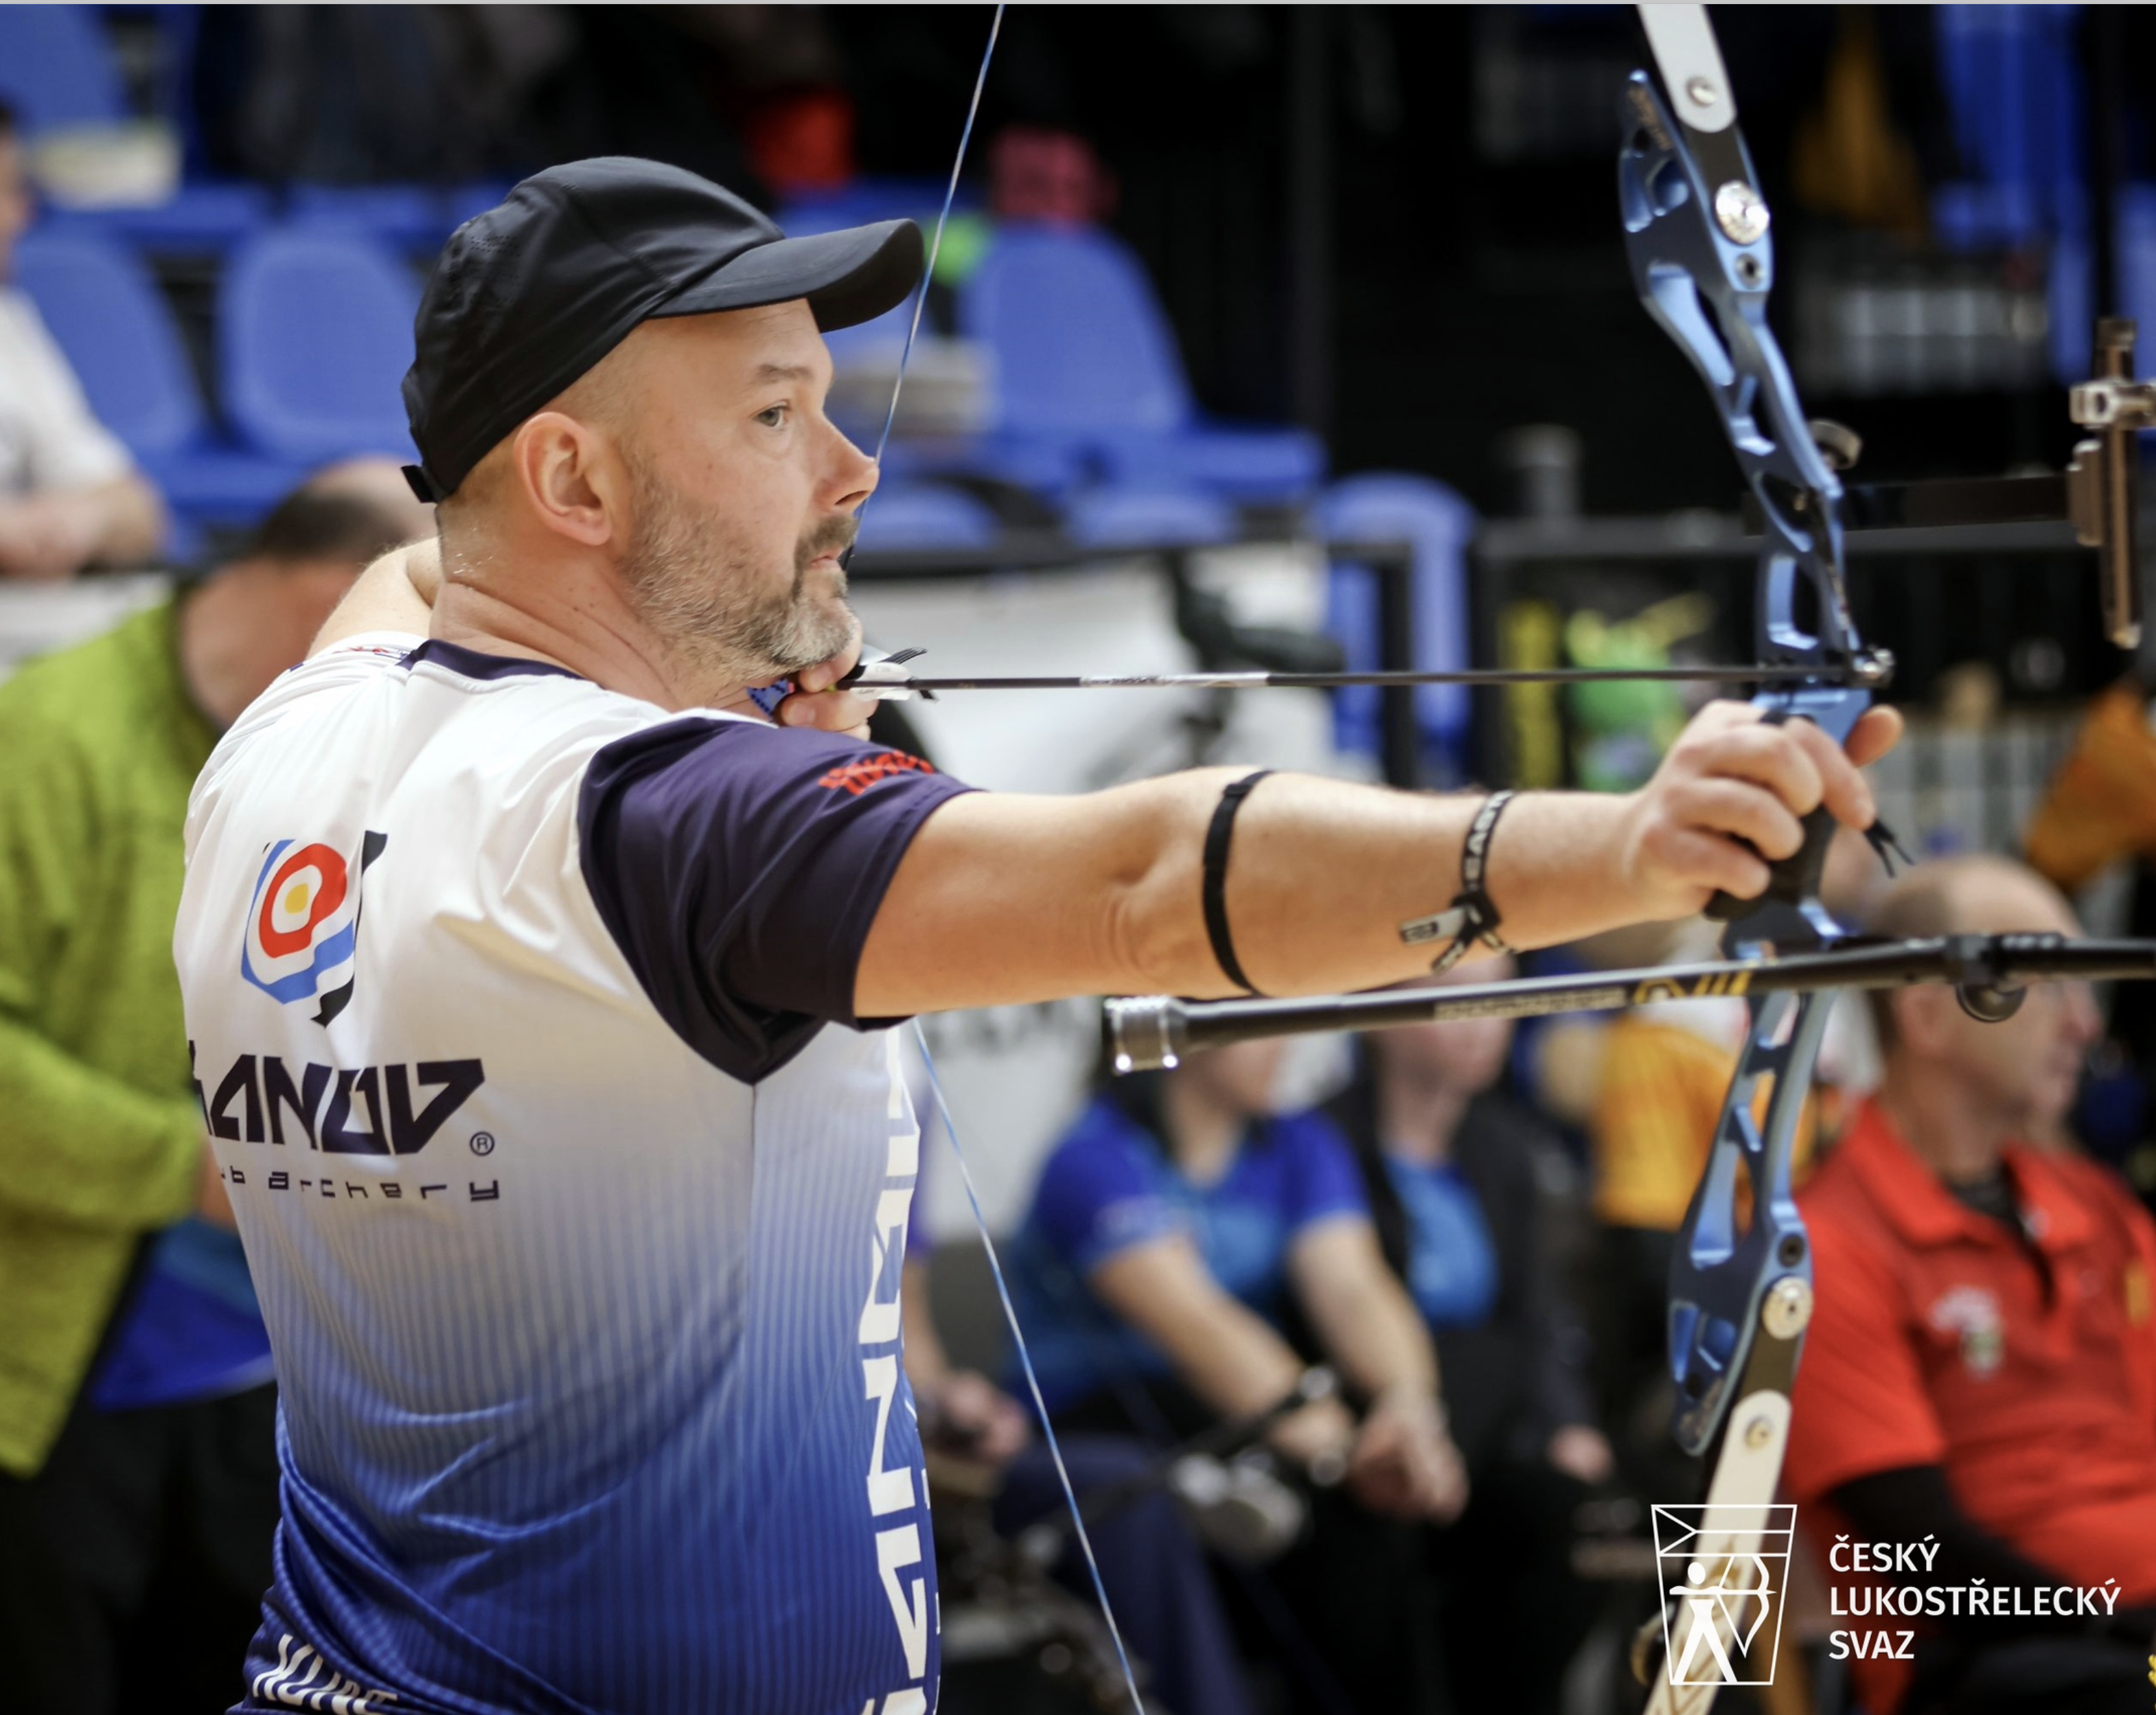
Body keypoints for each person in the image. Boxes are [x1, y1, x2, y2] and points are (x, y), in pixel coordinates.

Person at [167, 155, 1896, 1714]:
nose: (850, 470)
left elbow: (426, 566)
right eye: (773, 416)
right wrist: (1626, 844)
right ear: (572, 474)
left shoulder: (292, 735)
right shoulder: (670, 819)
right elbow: (1150, 878)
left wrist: (679, 641)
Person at [0, 465, 433, 1714]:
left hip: (284, 1367)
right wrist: (198, 1167)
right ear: (331, 594)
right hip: (62, 1366)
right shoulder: (53, 737)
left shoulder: (374, 763)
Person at [1784, 855, 2156, 1715]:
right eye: (2047, 983)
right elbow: (1919, 1550)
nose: (2084, 1022)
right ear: (1926, 1015)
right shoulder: (1826, 1242)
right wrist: (2127, 1636)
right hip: (1989, 1666)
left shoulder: (2094, 1206)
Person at [1008, 1036, 1465, 1711]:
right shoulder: (1092, 1156)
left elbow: (1353, 1288)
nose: (1283, 1044)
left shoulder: (1300, 1144)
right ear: (1183, 1028)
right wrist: (1345, 1452)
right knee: (1330, 1508)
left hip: (1240, 1415)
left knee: (1379, 1526)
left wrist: (1409, 1408)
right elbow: (1197, 1331)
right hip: (1095, 1419)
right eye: (1256, 1020)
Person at [1327, 959, 1614, 1715]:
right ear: (1377, 1009)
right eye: (1456, 996)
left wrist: (1567, 1423)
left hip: (1487, 1432)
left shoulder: (1507, 1149)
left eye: (1499, 993)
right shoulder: (1325, 1141)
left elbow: (1535, 1312)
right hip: (1377, 1424)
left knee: (1569, 1509)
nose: (1484, 1021)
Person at [901, 1247, 1257, 1715]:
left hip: (929, 1455)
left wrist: (945, 1396)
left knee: (1128, 1480)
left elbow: (907, 1331)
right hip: (846, 1473)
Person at [0, 98, 169, 579]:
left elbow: (140, 512)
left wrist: (84, 521)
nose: (22, 216)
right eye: (6, 191)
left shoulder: (9, 321)